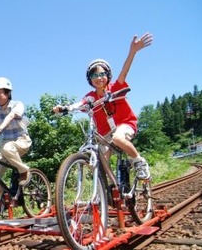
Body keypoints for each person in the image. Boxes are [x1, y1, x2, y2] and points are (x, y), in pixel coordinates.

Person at [53, 32, 153, 180]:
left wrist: (132, 51)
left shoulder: (115, 88)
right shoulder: (91, 97)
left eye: (102, 74)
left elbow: (124, 73)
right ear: (90, 79)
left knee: (119, 138)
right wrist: (66, 108)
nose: (99, 78)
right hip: (105, 135)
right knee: (100, 161)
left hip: (124, 124)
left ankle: (139, 161)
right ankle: (110, 190)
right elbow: (80, 103)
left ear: (108, 75)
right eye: (94, 75)